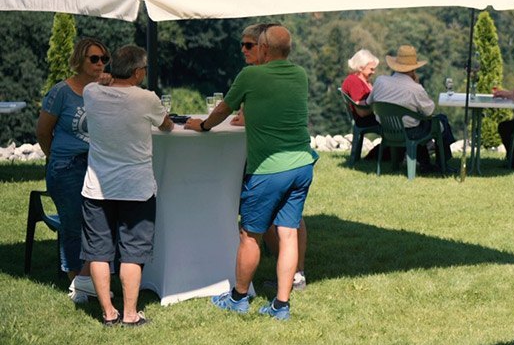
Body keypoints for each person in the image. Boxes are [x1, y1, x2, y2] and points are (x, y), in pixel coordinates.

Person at [187, 25, 315, 321]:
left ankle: (238, 297)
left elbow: (222, 111)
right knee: (287, 234)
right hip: (301, 165)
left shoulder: (250, 76)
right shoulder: (300, 75)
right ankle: (281, 305)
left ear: (265, 49)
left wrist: (202, 125)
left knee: (249, 235)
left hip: (269, 169)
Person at [79, 46, 174, 326]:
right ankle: (131, 314)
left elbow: (95, 83)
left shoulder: (91, 93)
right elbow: (166, 125)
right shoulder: (146, 99)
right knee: (133, 252)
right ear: (137, 72)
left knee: (98, 251)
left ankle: (108, 313)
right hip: (137, 188)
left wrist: (106, 79)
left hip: (97, 187)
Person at [36, 36, 111, 303]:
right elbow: (43, 131)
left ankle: (92, 278)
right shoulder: (61, 92)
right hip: (66, 166)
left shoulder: (105, 89)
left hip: (98, 166)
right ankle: (77, 282)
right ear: (79, 60)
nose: (100, 63)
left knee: (99, 224)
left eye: (104, 59)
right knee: (73, 224)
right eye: (94, 59)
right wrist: (55, 157)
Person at [367, 44, 455, 171]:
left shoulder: (380, 81)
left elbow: (370, 101)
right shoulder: (415, 88)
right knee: (441, 120)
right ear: (413, 69)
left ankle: (426, 163)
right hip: (411, 133)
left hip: (387, 130)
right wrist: (416, 84)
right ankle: (443, 163)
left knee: (418, 123)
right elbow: (429, 111)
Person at [341, 48, 380, 127]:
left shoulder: (364, 81)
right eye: (371, 69)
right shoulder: (354, 81)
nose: (373, 72)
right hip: (365, 120)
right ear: (361, 67)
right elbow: (361, 111)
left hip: (370, 117)